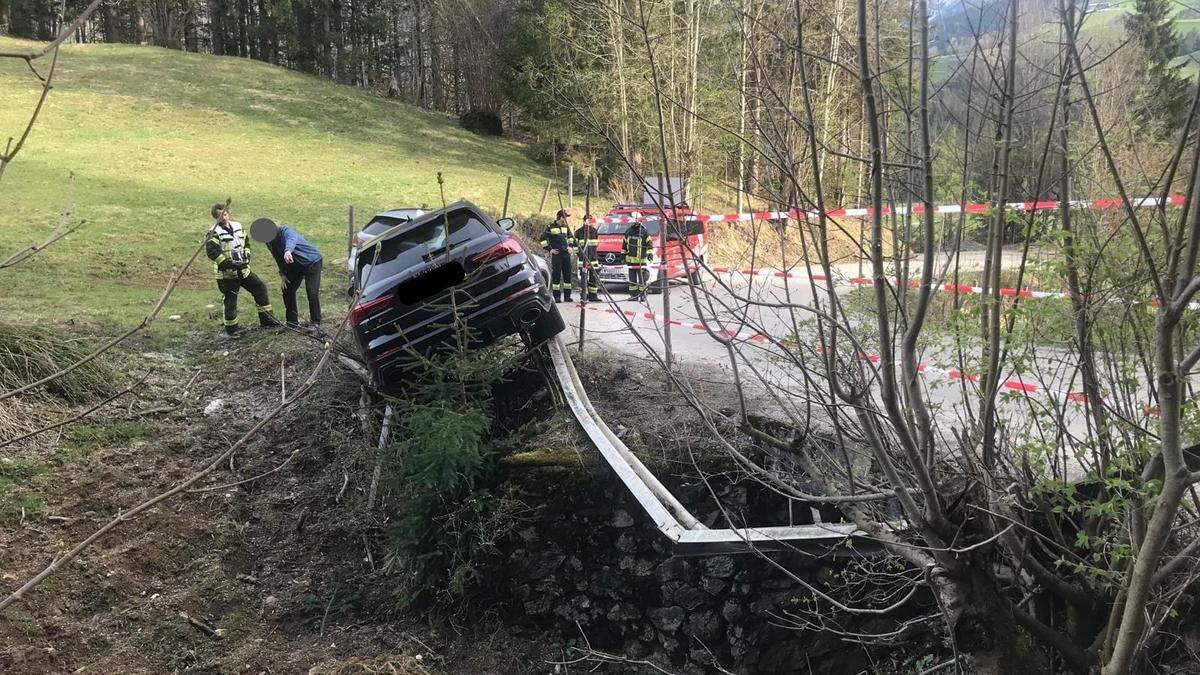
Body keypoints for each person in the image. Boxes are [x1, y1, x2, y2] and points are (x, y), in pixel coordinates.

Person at [205, 203, 278, 338]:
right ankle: (232, 331)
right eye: (221, 215)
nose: (224, 217)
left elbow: (247, 243)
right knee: (230, 301)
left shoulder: (238, 226)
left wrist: (247, 255)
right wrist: (228, 264)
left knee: (260, 288)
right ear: (216, 217)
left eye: (225, 214)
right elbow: (212, 253)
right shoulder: (213, 233)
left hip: (244, 270)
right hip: (227, 274)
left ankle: (267, 321)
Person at [249, 218, 324, 333]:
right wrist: (283, 274)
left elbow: (291, 239)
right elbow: (277, 257)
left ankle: (316, 322)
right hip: (294, 266)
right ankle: (292, 322)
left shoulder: (285, 231)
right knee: (287, 290)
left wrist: (288, 251)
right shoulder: (269, 242)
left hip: (311, 262)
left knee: (312, 291)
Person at [539, 209, 575, 302]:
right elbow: (542, 239)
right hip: (557, 255)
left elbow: (571, 238)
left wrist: (571, 247)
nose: (566, 219)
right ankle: (557, 297)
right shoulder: (550, 227)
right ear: (561, 217)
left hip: (566, 255)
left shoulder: (566, 227)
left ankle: (567, 297)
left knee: (567, 276)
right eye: (565, 217)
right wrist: (550, 250)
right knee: (556, 276)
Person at [623, 216, 654, 302]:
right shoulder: (628, 231)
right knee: (632, 281)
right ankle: (633, 296)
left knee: (642, 281)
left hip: (641, 262)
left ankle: (643, 296)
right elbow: (624, 245)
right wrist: (623, 256)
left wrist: (650, 254)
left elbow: (650, 244)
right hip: (631, 262)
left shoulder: (644, 232)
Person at [574, 215, 600, 302]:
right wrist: (581, 256)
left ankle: (593, 296)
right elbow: (575, 247)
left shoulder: (594, 231)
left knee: (594, 278)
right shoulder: (578, 232)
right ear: (585, 221)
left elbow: (596, 246)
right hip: (583, 260)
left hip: (593, 259)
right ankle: (584, 296)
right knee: (583, 279)